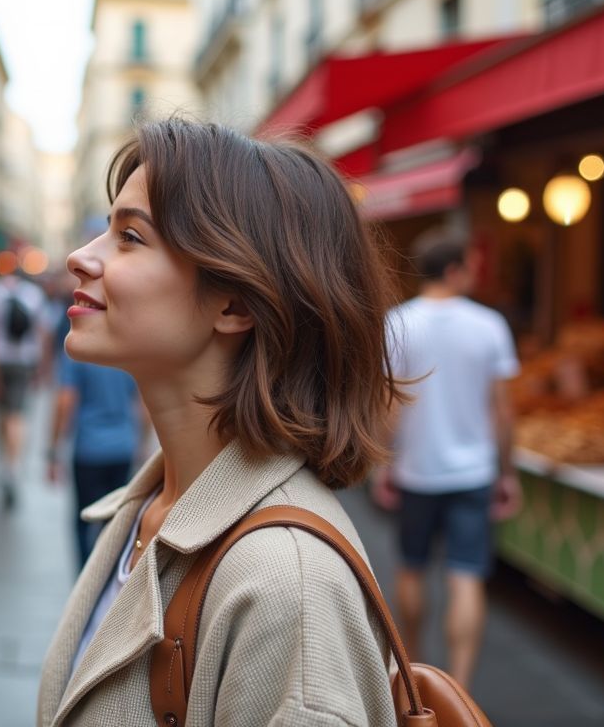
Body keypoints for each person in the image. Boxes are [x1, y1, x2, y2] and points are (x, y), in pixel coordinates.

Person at [37, 119, 401, 726]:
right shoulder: (153, 505)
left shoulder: (290, 589)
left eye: (129, 236)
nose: (80, 257)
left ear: (234, 304)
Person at [371, 230, 522, 690]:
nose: (475, 272)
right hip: (473, 472)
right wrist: (508, 471)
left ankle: (414, 676)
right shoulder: (490, 324)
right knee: (466, 576)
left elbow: (389, 405)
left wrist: (383, 462)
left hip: (416, 469)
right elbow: (502, 408)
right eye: (471, 264)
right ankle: (459, 689)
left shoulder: (398, 322)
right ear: (454, 269)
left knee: (411, 567)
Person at [48, 348, 146, 568]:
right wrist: (142, 441)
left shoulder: (79, 353)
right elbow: (142, 401)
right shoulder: (127, 351)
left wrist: (53, 451)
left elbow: (65, 402)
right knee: (114, 521)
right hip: (122, 448)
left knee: (84, 520)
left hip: (89, 450)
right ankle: (107, 576)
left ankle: (85, 578)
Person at [0, 269, 49, 509]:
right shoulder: (33, 294)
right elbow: (43, 333)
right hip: (24, 361)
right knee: (17, 416)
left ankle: (5, 462)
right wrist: (43, 366)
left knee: (1, 414)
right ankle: (12, 465)